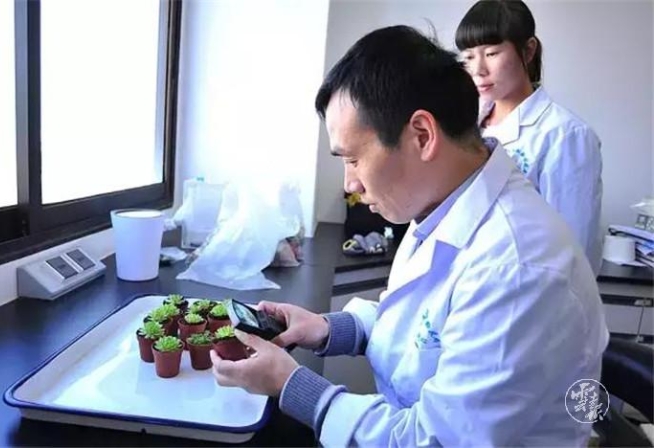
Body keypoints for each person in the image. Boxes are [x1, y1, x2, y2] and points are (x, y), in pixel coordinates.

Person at [210, 25, 608, 446]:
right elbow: (421, 328)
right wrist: (328, 329)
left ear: (422, 135)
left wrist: (291, 384)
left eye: (353, 159)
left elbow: (434, 440)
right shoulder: (442, 205)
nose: (349, 184)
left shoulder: (515, 268)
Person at [455, 0, 604, 275]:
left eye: (491, 53)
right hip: (471, 278)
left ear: (529, 50)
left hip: (530, 289)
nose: (478, 70)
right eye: (468, 57)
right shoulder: (467, 124)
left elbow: (573, 250)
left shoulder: (565, 135)